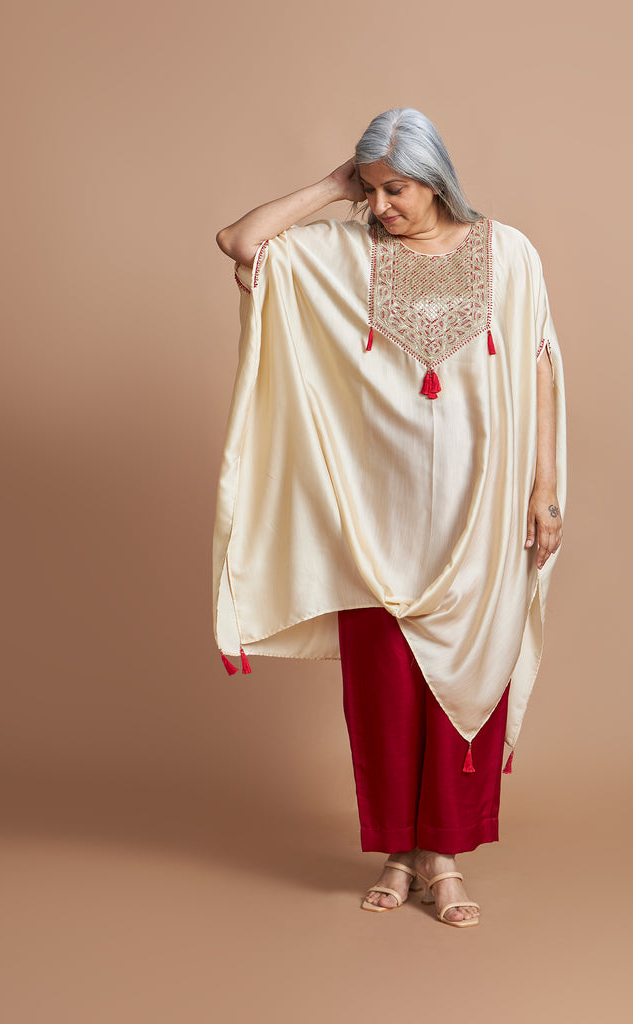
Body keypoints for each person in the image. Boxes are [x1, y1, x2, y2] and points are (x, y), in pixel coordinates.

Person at [213, 108, 568, 928]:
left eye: (395, 189)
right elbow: (241, 241)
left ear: (436, 179)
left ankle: (443, 857)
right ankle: (397, 854)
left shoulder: (508, 253)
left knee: (471, 673)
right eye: (369, 191)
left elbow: (540, 364)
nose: (380, 207)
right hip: (378, 517)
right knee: (383, 687)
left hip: (484, 510)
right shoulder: (348, 253)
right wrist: (333, 184)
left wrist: (544, 488)